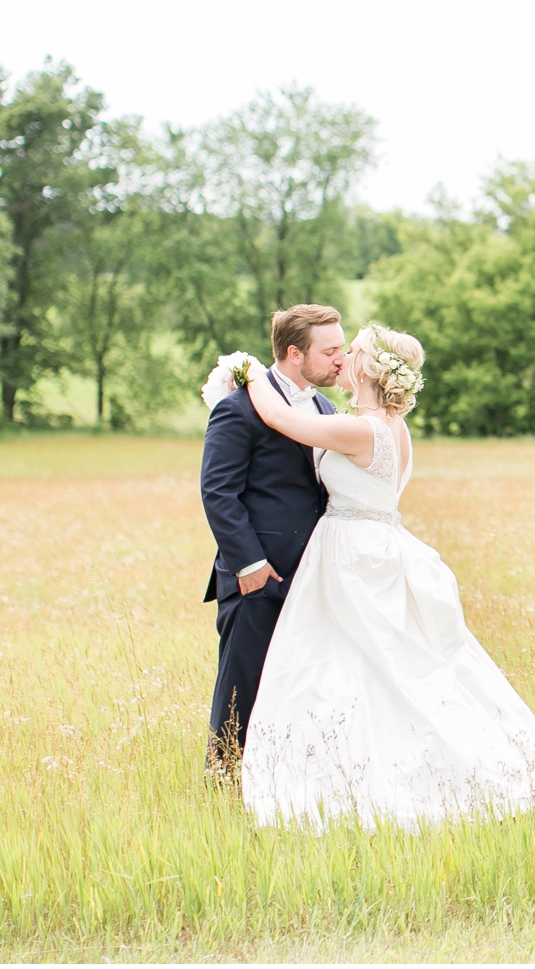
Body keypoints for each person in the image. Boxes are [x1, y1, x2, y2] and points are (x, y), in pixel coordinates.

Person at [237, 322, 535, 831]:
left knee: (359, 662)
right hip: (377, 546)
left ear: (368, 367)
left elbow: (277, 416)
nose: (342, 357)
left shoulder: (360, 429)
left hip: (354, 555)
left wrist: (246, 371)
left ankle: (377, 770)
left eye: (352, 351)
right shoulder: (390, 426)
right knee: (378, 664)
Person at [199, 304, 347, 776]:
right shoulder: (238, 408)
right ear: (294, 354)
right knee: (242, 684)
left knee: (300, 683)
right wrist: (249, 566)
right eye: (330, 351)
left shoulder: (323, 408)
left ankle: (282, 778)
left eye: (342, 348)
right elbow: (218, 492)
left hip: (312, 576)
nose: (340, 359)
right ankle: (223, 779)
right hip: (258, 575)